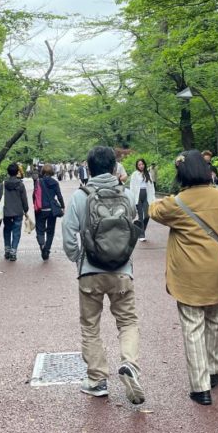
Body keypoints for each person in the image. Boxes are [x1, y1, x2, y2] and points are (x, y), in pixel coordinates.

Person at [149, 150, 218, 406]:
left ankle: (200, 387)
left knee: (193, 325)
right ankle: (214, 370)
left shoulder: (177, 203)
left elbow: (153, 210)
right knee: (214, 318)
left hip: (189, 273)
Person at [62, 146, 145, 405]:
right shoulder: (127, 195)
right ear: (113, 168)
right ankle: (129, 364)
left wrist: (78, 258)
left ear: (88, 167)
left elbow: (68, 234)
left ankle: (97, 379)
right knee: (128, 322)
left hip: (90, 271)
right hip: (122, 271)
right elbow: (132, 229)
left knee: (91, 326)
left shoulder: (80, 196)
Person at [0, 162, 29, 261]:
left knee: (7, 229)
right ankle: (13, 252)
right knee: (16, 231)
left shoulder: (3, 184)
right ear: (17, 172)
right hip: (18, 211)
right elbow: (24, 199)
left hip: (6, 211)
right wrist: (25, 209)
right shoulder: (20, 185)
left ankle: (7, 250)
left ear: (8, 172)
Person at [35, 163, 65, 261]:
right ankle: (47, 250)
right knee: (50, 231)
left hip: (41, 209)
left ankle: (42, 244)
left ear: (43, 171)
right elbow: (59, 195)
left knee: (40, 229)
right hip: (52, 210)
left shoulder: (38, 182)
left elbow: (34, 196)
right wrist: (63, 206)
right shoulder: (55, 182)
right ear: (52, 171)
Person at [129, 158, 155, 242]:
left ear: (144, 164)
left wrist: (153, 197)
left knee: (147, 215)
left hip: (146, 196)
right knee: (140, 216)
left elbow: (151, 187)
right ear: (137, 166)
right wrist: (132, 198)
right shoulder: (134, 174)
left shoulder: (148, 174)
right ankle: (141, 235)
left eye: (142, 164)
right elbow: (132, 187)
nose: (141, 166)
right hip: (138, 196)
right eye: (139, 165)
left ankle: (140, 229)